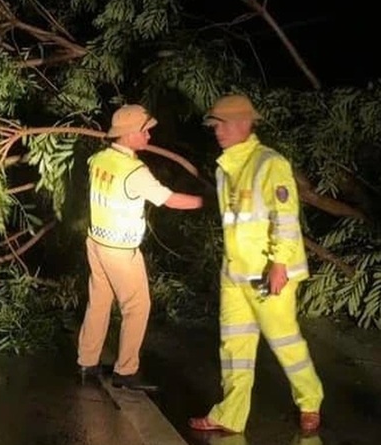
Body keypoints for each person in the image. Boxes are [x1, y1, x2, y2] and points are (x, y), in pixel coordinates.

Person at [188, 94, 323, 433]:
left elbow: (286, 216)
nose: (216, 130)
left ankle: (310, 401)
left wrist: (279, 264)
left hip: (268, 273)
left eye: (222, 124)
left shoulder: (269, 163)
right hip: (234, 273)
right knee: (234, 346)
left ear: (244, 124)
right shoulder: (225, 168)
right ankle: (230, 415)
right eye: (214, 125)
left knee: (285, 340)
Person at [77, 104, 203, 390]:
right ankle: (126, 371)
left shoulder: (98, 159)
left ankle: (87, 362)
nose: (149, 135)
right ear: (131, 134)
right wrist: (205, 203)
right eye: (145, 131)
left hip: (96, 242)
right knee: (137, 305)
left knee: (98, 303)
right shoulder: (135, 171)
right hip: (120, 251)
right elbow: (169, 200)